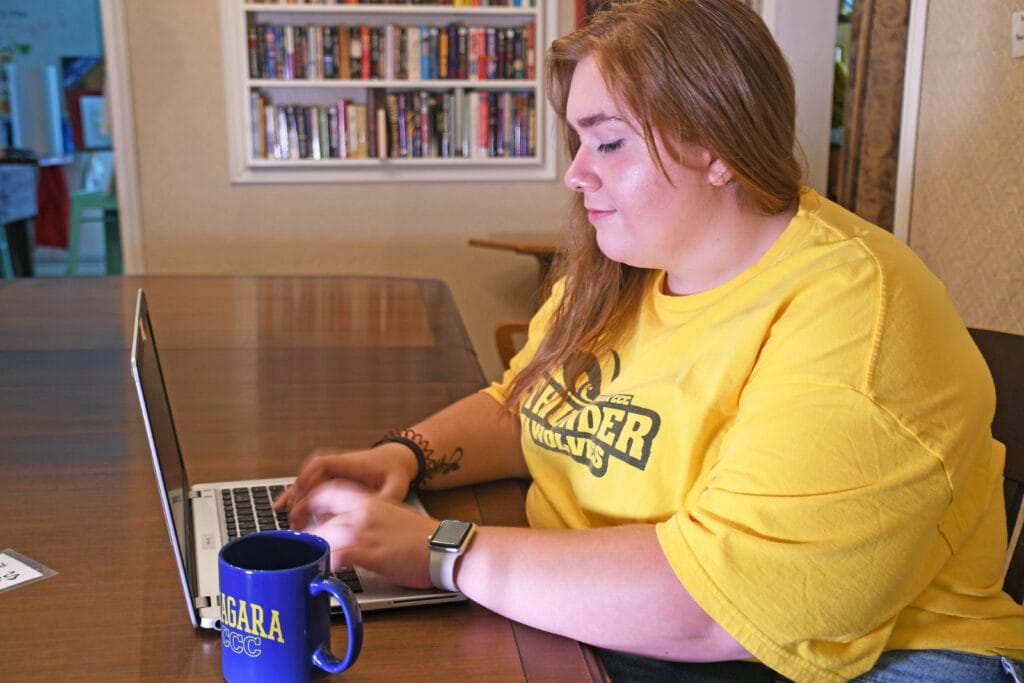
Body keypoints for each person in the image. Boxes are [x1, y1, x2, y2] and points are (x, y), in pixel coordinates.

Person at [274, 0, 1024, 680]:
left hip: (860, 659)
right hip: (623, 627)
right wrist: (402, 454)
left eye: (608, 143)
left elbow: (719, 600)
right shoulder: (628, 264)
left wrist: (441, 550)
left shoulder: (856, 312)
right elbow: (524, 408)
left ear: (719, 145)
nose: (574, 175)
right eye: (578, 141)